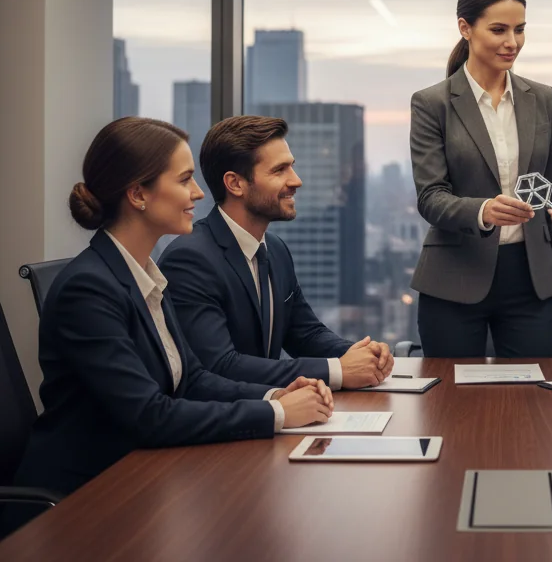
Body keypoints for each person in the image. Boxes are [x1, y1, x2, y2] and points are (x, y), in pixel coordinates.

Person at [11, 118, 332, 504]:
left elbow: (193, 380)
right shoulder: (89, 289)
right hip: (85, 498)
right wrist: (278, 416)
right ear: (138, 194)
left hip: (143, 478)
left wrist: (276, 395)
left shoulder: (144, 275)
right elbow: (150, 415)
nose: (198, 193)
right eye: (184, 180)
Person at [409, 0, 552, 357]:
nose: (512, 42)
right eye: (499, 29)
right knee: (450, 407)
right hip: (454, 278)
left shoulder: (542, 98)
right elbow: (430, 198)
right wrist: (483, 210)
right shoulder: (431, 103)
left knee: (530, 405)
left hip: (531, 280)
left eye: (520, 29)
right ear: (465, 28)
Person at [161, 115, 393, 389]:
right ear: (235, 184)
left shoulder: (276, 250)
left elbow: (305, 333)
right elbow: (221, 366)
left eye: (291, 167)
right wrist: (338, 370)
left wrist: (360, 353)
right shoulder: (190, 260)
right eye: (279, 170)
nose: (296, 181)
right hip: (229, 424)